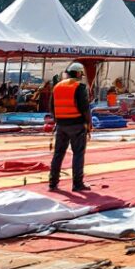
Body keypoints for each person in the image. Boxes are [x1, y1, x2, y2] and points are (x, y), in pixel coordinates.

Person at [49, 62, 92, 192]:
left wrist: (57, 121)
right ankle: (77, 183)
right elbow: (84, 108)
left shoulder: (57, 86)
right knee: (78, 153)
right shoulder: (79, 86)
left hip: (61, 124)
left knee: (58, 154)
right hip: (76, 124)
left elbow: (52, 107)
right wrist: (89, 123)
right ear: (78, 73)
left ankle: (53, 182)